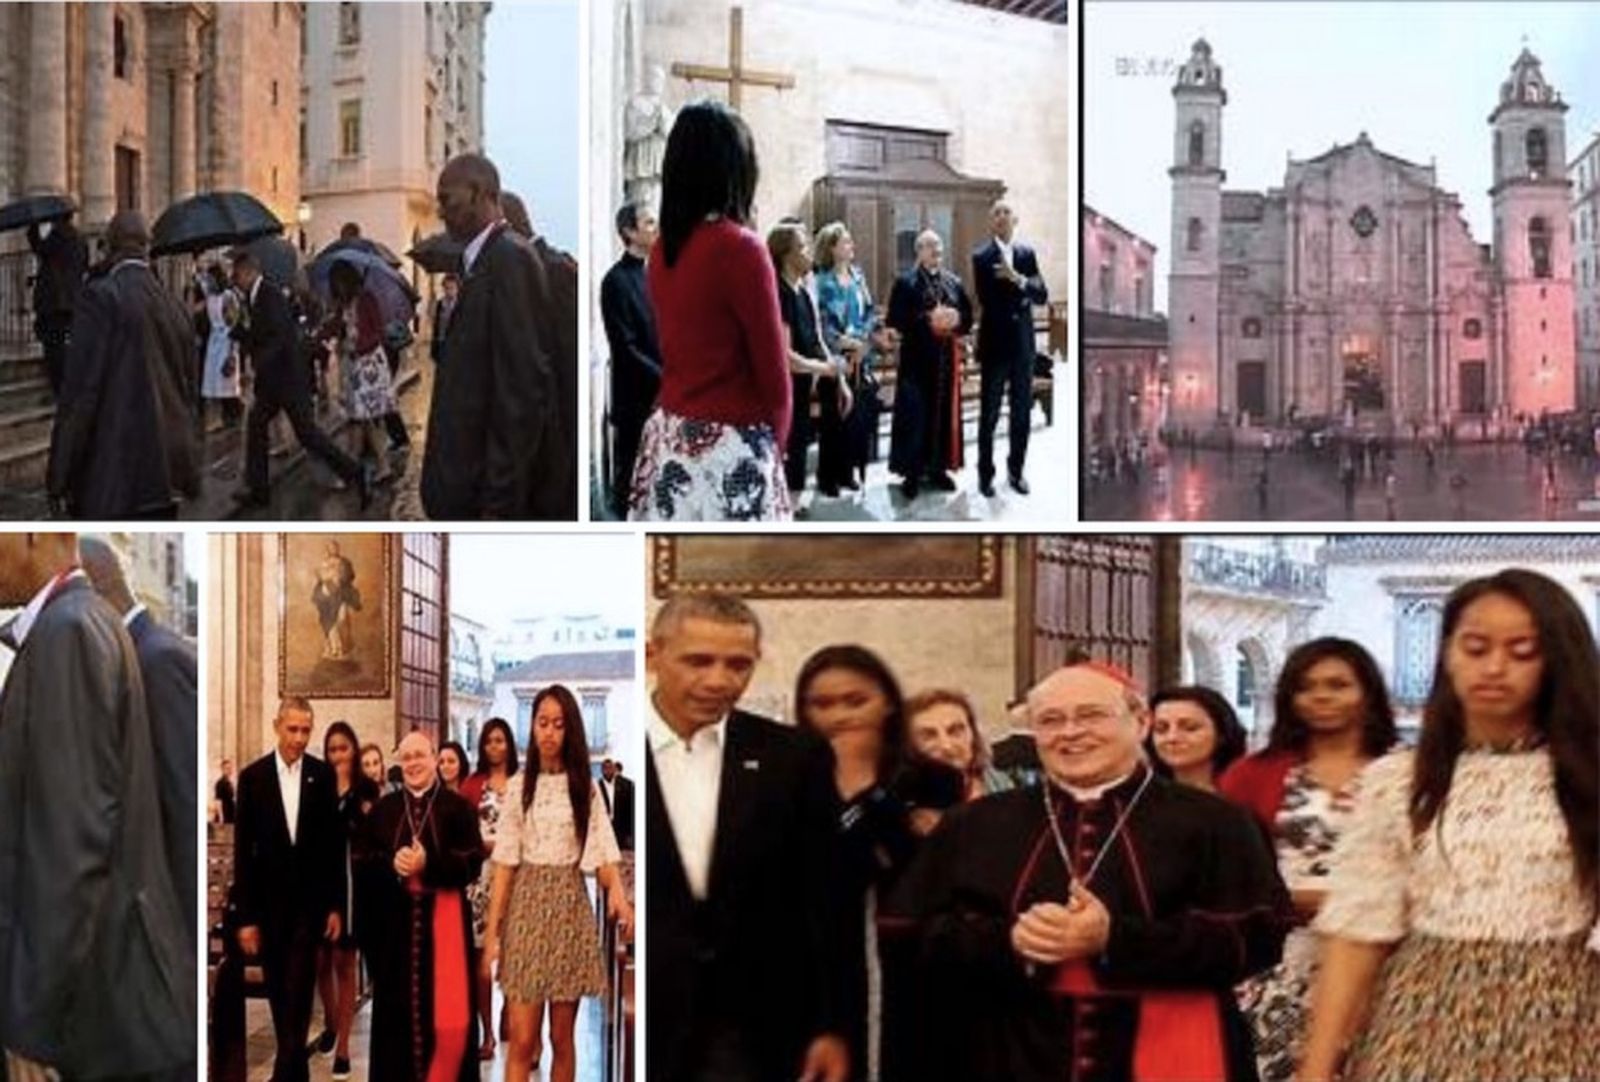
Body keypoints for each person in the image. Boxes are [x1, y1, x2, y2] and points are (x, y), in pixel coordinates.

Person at [888, 660, 1290, 1081]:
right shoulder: (974, 823)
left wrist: (1115, 938)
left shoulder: (1219, 822)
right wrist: (1008, 940)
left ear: (1140, 722)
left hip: (1172, 1043)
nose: (1070, 732)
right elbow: (905, 931)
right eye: (1050, 720)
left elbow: (1258, 937)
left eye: (1091, 715)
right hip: (1006, 1047)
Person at [1301, 571, 1600, 1081]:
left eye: (1523, 651)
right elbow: (1357, 935)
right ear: (1448, 653)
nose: (1495, 668)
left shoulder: (1590, 776)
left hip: (1567, 1016)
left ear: (1557, 661)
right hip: (1422, 1015)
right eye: (1476, 647)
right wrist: (1317, 1068)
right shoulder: (1397, 781)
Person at [0, 533, 195, 1081]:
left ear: (32, 536)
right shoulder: (81, 623)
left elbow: (71, 842)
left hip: (101, 1015)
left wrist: (28, 1024)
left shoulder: (69, 631)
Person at [645, 593, 850, 1081]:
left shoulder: (794, 758)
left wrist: (831, 1026)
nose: (719, 680)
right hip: (650, 1020)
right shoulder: (623, 752)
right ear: (654, 655)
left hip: (755, 1030)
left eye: (738, 665)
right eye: (698, 661)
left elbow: (824, 903)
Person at [1216, 639, 1397, 1082]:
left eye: (1338, 685)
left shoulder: (1405, 771)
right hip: (1283, 963)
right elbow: (1227, 874)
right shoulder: (1252, 774)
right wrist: (1295, 900)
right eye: (1307, 687)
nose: (1322, 697)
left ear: (1367, 692)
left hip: (1385, 960)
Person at [628, 100, 792, 522]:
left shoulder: (664, 249)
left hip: (669, 439)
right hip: (730, 448)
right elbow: (774, 379)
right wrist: (774, 453)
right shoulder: (741, 248)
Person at [483, 686, 634, 1082]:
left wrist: (620, 896)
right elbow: (504, 864)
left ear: (571, 730)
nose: (549, 732)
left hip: (569, 908)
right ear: (532, 728)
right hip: (526, 910)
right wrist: (493, 933)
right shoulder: (519, 787)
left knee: (561, 1038)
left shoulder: (584, 787)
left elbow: (603, 853)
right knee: (521, 1038)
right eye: (542, 723)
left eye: (558, 724)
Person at [794, 645, 920, 1081]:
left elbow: (907, 872)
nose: (839, 717)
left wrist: (861, 784)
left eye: (855, 701)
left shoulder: (925, 781)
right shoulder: (790, 785)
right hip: (818, 976)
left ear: (886, 702)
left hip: (909, 974)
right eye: (822, 705)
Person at [424, 153, 573, 520]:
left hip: (484, 501)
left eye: (447, 199)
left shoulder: (510, 258)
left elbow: (520, 393)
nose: (440, 212)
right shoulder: (484, 260)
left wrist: (498, 505)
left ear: (478, 194)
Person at [78, 536, 199, 941]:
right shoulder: (137, 651)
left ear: (94, 589)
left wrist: (182, 941)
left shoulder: (156, 659)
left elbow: (183, 802)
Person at [46, 210, 199, 519]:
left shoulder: (100, 298)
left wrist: (59, 477)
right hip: (165, 480)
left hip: (113, 483)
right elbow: (188, 394)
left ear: (109, 248)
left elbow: (80, 394)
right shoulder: (176, 307)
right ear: (147, 248)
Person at [355, 731, 484, 1082]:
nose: (413, 763)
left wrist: (431, 864)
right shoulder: (384, 810)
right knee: (396, 1022)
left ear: (434, 759)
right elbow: (363, 860)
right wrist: (391, 865)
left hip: (445, 936)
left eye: (420, 756)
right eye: (406, 757)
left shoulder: (457, 808)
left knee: (447, 1022)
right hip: (396, 937)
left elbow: (473, 863)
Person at [233, 697, 345, 1082]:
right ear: (276, 725)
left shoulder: (322, 776)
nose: (299, 738)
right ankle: (293, 1070)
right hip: (268, 908)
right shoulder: (252, 779)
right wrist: (246, 918)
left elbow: (333, 847)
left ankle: (287, 1071)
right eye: (292, 729)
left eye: (305, 730)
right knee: (282, 997)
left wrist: (335, 906)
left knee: (298, 990)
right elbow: (243, 853)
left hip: (309, 908)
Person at [232, 248, 371, 510]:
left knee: (308, 435)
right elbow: (262, 335)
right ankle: (259, 490)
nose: (234, 280)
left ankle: (356, 472)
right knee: (257, 424)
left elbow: (280, 338)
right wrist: (239, 333)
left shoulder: (269, 295)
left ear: (250, 272)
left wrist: (257, 364)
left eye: (237, 274)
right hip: (274, 381)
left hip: (288, 379)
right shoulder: (254, 297)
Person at [312, 722, 380, 1081]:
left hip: (352, 882)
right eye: (332, 749)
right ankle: (329, 1018)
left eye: (344, 748)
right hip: (323, 879)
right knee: (320, 959)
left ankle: (342, 1047)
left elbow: (370, 835)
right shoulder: (319, 786)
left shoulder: (366, 789)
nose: (338, 755)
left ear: (353, 750)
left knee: (345, 962)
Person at [887, 229, 974, 500]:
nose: (936, 250)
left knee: (941, 417)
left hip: (945, 364)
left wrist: (956, 318)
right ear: (919, 251)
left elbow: (969, 318)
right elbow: (895, 320)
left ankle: (938, 469)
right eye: (929, 246)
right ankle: (911, 474)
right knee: (915, 418)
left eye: (939, 245)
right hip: (916, 361)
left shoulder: (954, 282)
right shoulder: (905, 282)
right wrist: (929, 319)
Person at [972, 201, 1049, 497]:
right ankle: (985, 475)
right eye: (996, 213)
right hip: (995, 346)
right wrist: (1023, 293)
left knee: (1021, 414)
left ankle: (1016, 471)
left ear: (1014, 220)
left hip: (1023, 347)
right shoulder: (981, 256)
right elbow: (988, 299)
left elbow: (1042, 294)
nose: (1002, 216)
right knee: (989, 415)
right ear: (991, 222)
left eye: (1006, 212)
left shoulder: (1026, 254)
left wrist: (1016, 278)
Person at [772, 220, 852, 498]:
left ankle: (793, 502)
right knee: (786, 451)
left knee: (799, 447)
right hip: (782, 390)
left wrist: (839, 378)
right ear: (786, 254)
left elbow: (817, 342)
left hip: (803, 387)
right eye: (803, 246)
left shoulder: (803, 293)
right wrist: (825, 368)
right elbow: (785, 356)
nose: (809, 253)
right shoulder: (778, 294)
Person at [460, 717, 519, 1060]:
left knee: (513, 953)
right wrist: (483, 844)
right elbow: (462, 832)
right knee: (482, 957)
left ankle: (509, 1010)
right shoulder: (473, 785)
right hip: (480, 879)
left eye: (500, 740)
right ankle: (486, 1031)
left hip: (515, 876)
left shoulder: (522, 782)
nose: (495, 747)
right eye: (489, 741)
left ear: (509, 743)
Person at [600, 201, 663, 515]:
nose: (657, 228)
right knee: (630, 480)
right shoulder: (615, 281)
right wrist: (665, 378)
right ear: (630, 232)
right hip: (635, 399)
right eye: (650, 223)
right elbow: (625, 347)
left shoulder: (659, 276)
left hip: (665, 396)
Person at [814, 221, 887, 488]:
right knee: (833, 419)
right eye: (846, 241)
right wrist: (843, 341)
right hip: (834, 359)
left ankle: (848, 472)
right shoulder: (821, 281)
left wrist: (863, 340)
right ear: (832, 248)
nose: (851, 245)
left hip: (861, 356)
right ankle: (828, 477)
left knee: (855, 419)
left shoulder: (858, 276)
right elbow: (820, 323)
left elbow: (869, 311)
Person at [321, 259, 398, 485]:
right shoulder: (344, 305)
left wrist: (358, 346)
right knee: (359, 418)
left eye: (338, 282)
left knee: (367, 418)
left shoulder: (367, 299)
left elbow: (378, 332)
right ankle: (360, 468)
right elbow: (335, 327)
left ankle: (372, 468)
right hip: (354, 367)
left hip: (370, 364)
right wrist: (321, 335)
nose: (336, 287)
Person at [904, 688, 1015, 815]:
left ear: (973, 734)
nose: (946, 746)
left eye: (955, 731)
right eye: (928, 736)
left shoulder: (1009, 789)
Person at [26, 213, 88, 396]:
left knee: (54, 346)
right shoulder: (80, 238)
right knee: (66, 343)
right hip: (72, 299)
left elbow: (40, 249)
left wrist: (33, 229)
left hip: (54, 302)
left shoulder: (58, 235)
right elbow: (83, 266)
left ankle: (60, 386)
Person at [1146, 685, 1248, 793]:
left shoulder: (1246, 794)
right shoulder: (1139, 797)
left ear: (1221, 734)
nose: (1172, 737)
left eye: (1190, 728)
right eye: (1161, 729)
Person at [200, 262, 244, 428]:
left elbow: (233, 323)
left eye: (210, 278)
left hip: (226, 341)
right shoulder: (210, 297)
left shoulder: (227, 296)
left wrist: (232, 351)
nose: (208, 281)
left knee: (226, 379)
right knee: (214, 381)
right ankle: (224, 416)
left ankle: (232, 413)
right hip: (214, 341)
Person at [598, 757, 635, 851]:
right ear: (602, 770)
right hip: (604, 829)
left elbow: (631, 809)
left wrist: (630, 833)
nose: (608, 770)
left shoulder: (627, 785)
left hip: (622, 829)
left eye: (610, 768)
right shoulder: (597, 787)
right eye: (605, 768)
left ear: (614, 769)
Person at [430, 273, 460, 365]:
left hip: (455, 345)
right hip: (441, 342)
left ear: (457, 289)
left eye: (452, 288)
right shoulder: (440, 304)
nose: (449, 291)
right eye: (446, 288)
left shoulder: (461, 304)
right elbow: (436, 325)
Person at [217, 758, 238, 824]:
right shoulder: (220, 783)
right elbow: (218, 801)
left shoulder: (229, 782)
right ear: (223, 770)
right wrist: (221, 817)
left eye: (230, 768)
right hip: (226, 813)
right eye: (227, 768)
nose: (229, 770)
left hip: (232, 812)